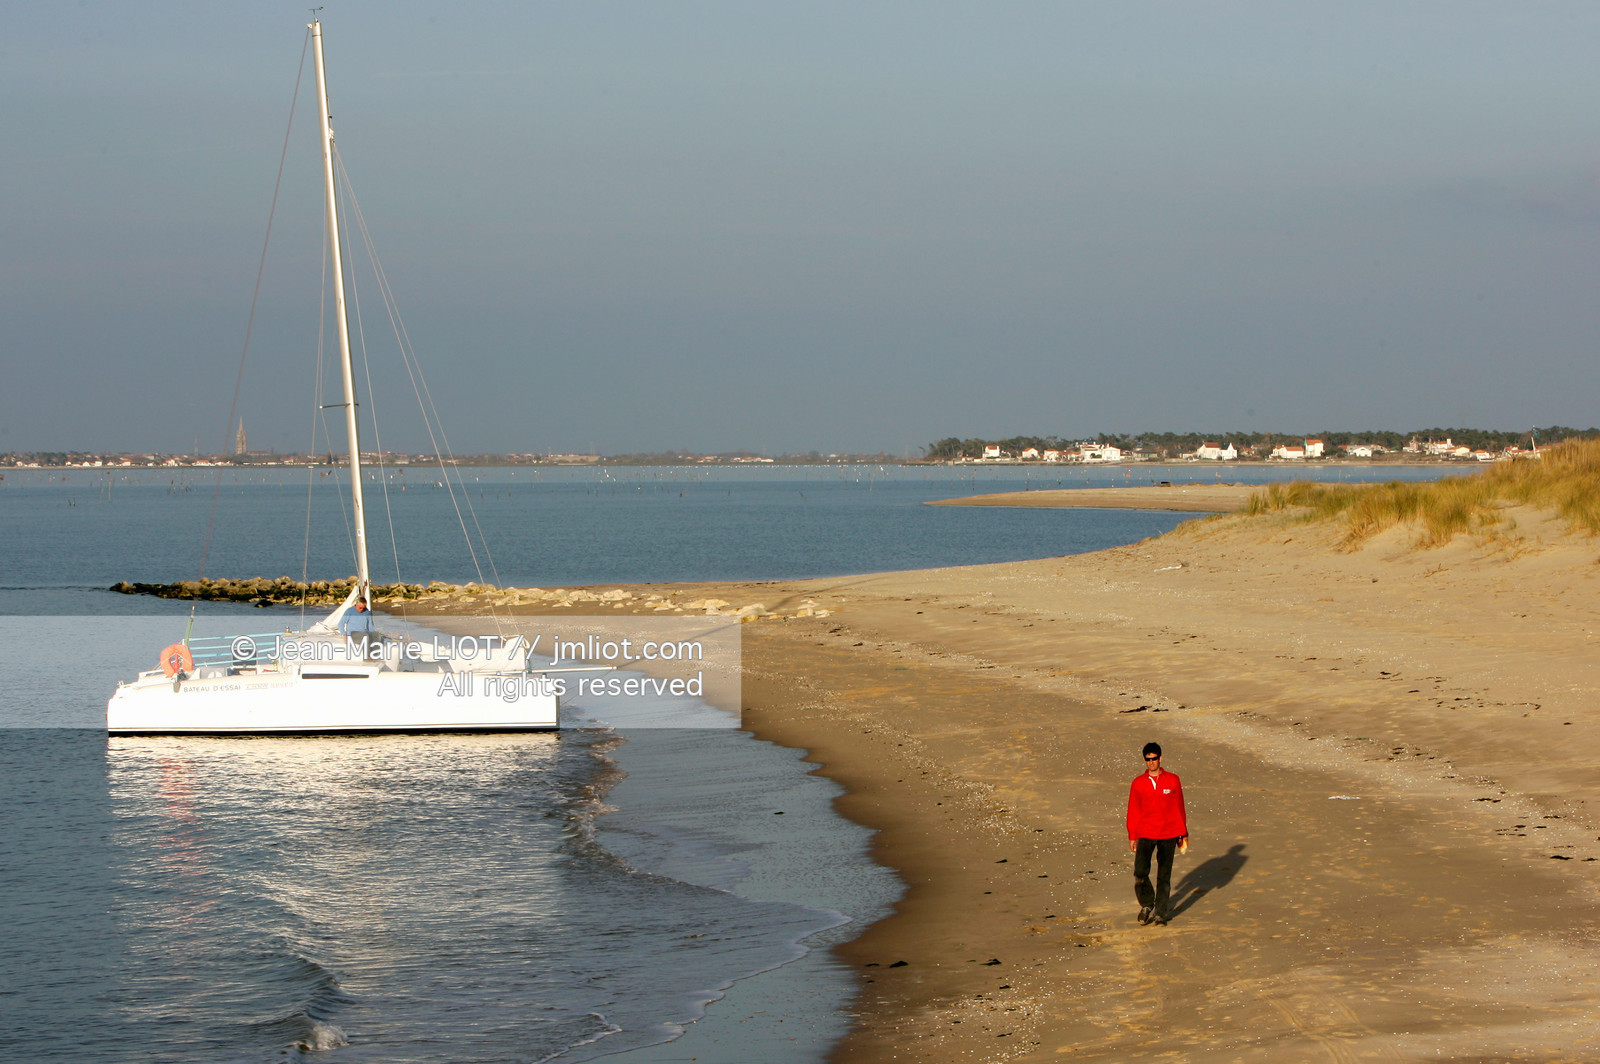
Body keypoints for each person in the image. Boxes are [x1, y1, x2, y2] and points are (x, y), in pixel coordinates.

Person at [1126, 742, 1188, 925]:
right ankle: (1147, 904)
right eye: (1148, 759)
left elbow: (1180, 807)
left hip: (1169, 833)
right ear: (1144, 760)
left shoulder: (1173, 780)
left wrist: (1183, 833)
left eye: (1154, 759)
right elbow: (1133, 810)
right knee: (1140, 872)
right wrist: (1132, 835)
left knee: (1164, 876)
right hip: (1145, 833)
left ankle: (1160, 913)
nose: (1151, 762)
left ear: (1160, 759)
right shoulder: (1138, 783)